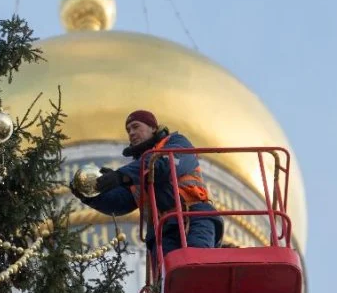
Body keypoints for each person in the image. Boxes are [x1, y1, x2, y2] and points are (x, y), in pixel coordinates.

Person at [70, 110, 223, 258]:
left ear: (153, 128)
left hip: (195, 218)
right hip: (163, 232)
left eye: (136, 126)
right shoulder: (137, 174)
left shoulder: (176, 143)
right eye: (128, 130)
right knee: (168, 277)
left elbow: (165, 165)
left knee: (195, 264)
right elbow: (119, 202)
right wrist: (91, 195)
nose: (131, 133)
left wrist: (121, 176)